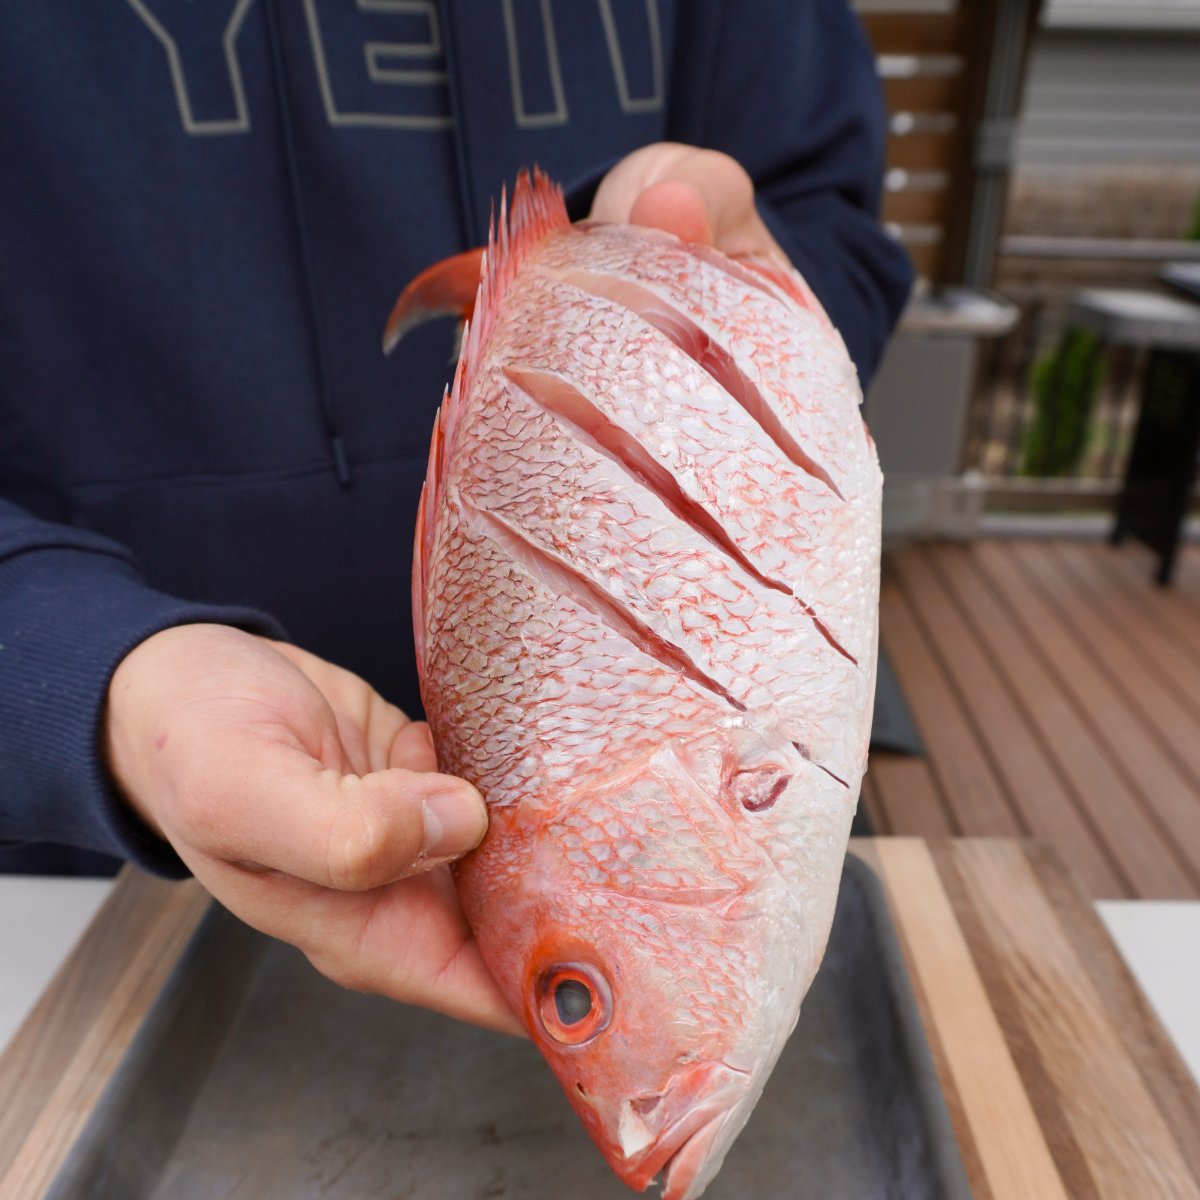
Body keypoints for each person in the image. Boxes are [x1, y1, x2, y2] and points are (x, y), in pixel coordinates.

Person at [0, 2, 913, 1035]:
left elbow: (829, 217)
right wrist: (88, 684)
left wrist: (713, 319)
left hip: (710, 880)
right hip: (92, 887)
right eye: (584, 1008)